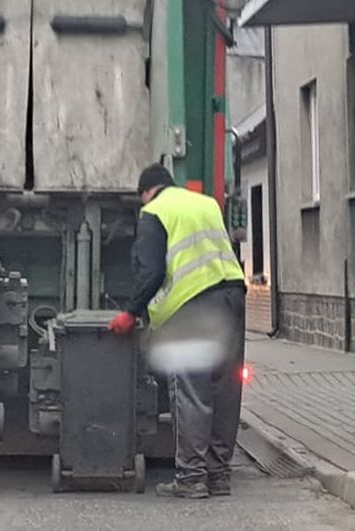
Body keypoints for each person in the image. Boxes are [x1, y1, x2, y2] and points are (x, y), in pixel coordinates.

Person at [109, 163, 246, 499]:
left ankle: (191, 477)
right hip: (233, 296)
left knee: (191, 390)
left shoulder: (154, 212)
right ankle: (218, 476)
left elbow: (152, 271)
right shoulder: (205, 203)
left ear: (146, 193)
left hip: (194, 303)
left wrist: (131, 311)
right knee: (225, 388)